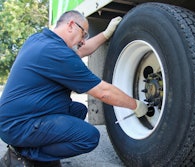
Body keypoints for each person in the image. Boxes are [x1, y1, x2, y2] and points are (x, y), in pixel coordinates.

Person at [0, 10, 148, 167]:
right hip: (18, 125)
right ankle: (23, 153)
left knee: (77, 110)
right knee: (88, 137)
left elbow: (82, 51)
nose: (84, 41)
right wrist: (136, 105)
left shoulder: (40, 40)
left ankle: (35, 146)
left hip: (16, 119)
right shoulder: (57, 53)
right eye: (84, 34)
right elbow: (103, 92)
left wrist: (106, 34)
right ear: (71, 25)